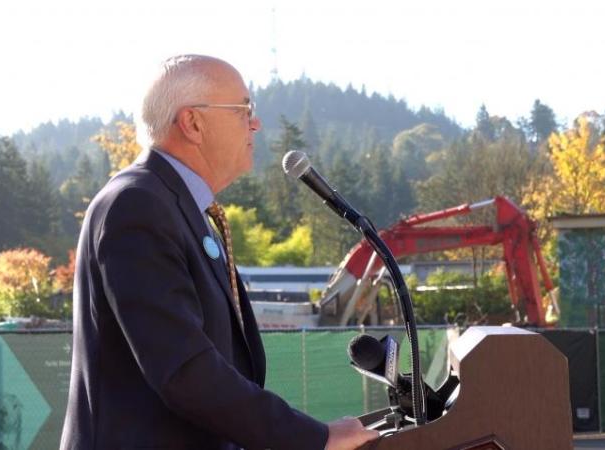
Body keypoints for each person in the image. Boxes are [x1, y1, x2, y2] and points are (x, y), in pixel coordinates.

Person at [60, 55, 379, 450]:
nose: (256, 123)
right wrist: (316, 438)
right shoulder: (137, 205)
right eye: (245, 110)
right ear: (193, 123)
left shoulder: (177, 207)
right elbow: (184, 370)